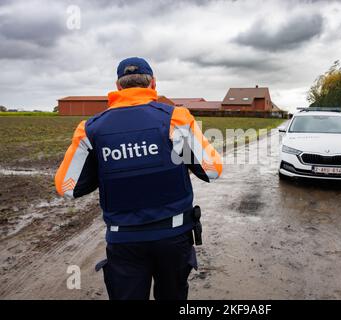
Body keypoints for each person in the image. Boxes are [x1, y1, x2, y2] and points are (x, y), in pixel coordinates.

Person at [55, 57, 223, 300]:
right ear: (153, 84)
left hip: (124, 242)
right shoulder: (176, 118)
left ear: (118, 86)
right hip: (173, 238)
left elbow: (66, 187)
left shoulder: (90, 129)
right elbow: (212, 170)